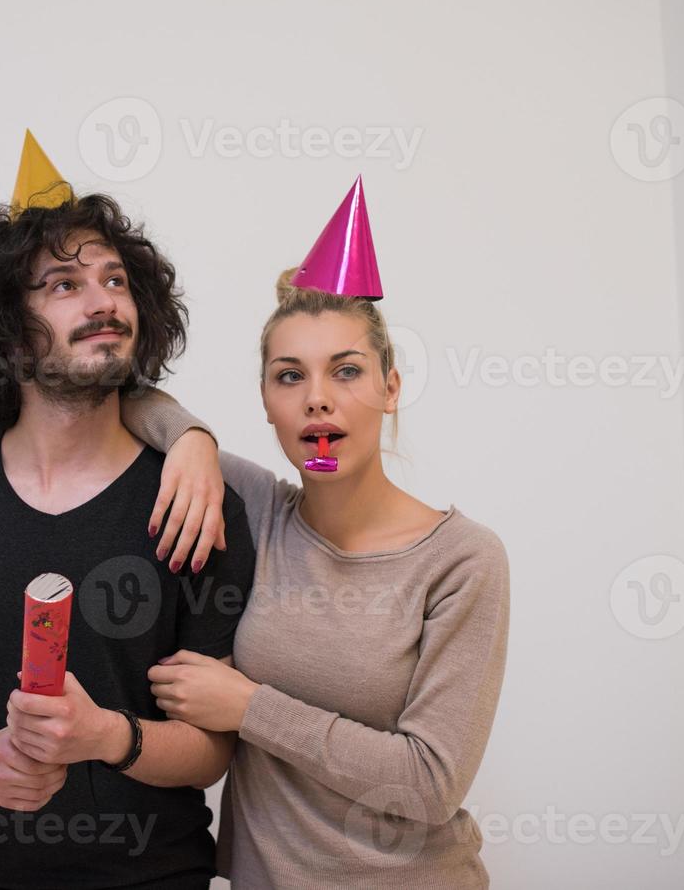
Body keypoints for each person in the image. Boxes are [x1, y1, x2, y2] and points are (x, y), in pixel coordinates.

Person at [0, 133, 257, 889]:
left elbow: (213, 748)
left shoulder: (197, 505)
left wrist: (107, 736)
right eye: (64, 285)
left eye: (114, 280)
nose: (104, 300)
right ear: (9, 326)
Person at [121, 179, 511, 889]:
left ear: (391, 388)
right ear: (267, 401)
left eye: (347, 371)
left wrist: (246, 708)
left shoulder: (461, 560)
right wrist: (193, 441)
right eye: (288, 376)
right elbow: (129, 399)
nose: (317, 398)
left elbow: (428, 783)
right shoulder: (256, 510)